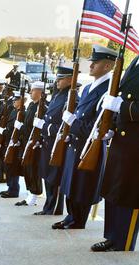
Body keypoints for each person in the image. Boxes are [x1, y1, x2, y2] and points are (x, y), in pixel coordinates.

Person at [53, 45, 116, 229]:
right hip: (76, 142)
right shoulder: (88, 88)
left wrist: (72, 121)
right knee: (71, 183)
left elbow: (96, 126)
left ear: (107, 66)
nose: (90, 66)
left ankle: (78, 220)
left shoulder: (108, 91)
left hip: (88, 146)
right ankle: (70, 216)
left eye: (95, 63)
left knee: (82, 185)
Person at [91, 54, 139, 251]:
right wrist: (110, 126)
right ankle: (112, 236)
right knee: (114, 189)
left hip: (135, 144)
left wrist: (122, 107)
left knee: (128, 193)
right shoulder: (135, 61)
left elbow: (125, 102)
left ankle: (123, 242)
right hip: (121, 140)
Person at [34, 66, 76, 216]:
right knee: (47, 175)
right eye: (57, 78)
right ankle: (48, 206)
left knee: (54, 177)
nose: (57, 81)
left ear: (71, 79)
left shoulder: (70, 98)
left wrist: (47, 127)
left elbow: (67, 125)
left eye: (61, 78)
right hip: (48, 141)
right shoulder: (59, 95)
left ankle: (54, 208)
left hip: (56, 142)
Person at [16, 81, 46, 206]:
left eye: (33, 90)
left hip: (34, 144)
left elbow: (34, 129)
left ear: (39, 92)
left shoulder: (42, 107)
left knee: (33, 169)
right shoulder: (31, 106)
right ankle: (29, 194)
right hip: (25, 142)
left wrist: (21, 127)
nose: (30, 92)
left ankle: (34, 195)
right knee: (27, 169)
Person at [0, 91, 23, 198]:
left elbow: (20, 131)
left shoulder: (22, 113)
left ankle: (14, 190)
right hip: (8, 143)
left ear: (21, 101)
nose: (13, 102)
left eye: (16, 100)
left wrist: (3, 132)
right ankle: (10, 188)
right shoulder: (14, 112)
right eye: (13, 100)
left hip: (15, 145)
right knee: (8, 167)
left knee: (13, 169)